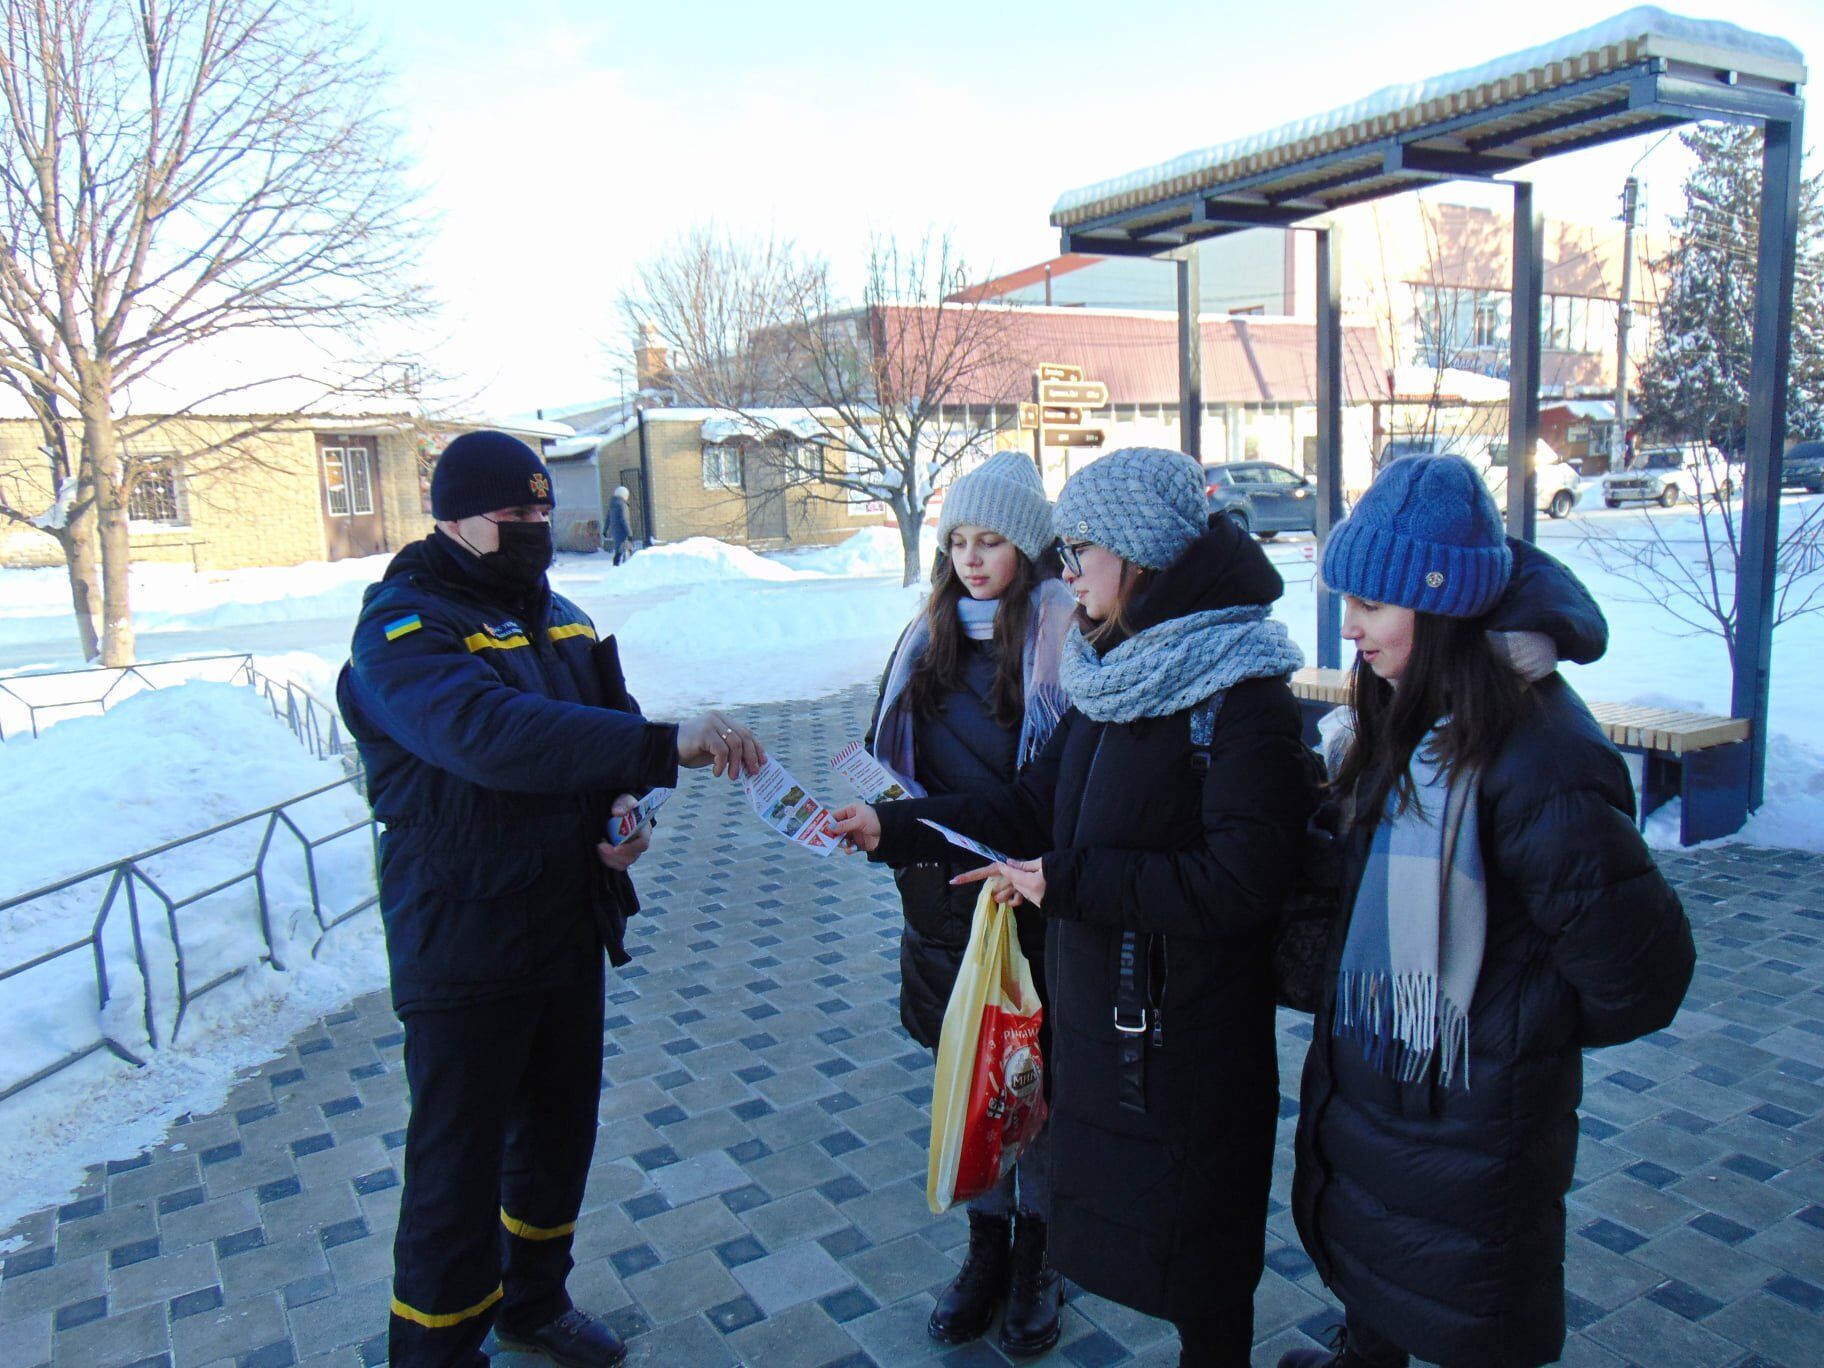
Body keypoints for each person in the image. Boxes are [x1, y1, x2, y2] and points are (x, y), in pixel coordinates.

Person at [833, 448, 1316, 1366]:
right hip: (1115, 1015)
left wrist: (1069, 882)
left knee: (1205, 1259)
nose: (1065, 570)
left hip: (1195, 1031)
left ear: (1135, 555)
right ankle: (1023, 1269)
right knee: (1141, 1227)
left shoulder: (1237, 691)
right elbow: (1028, 808)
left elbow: (1245, 880)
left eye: (1080, 549)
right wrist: (892, 829)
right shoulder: (1114, 667)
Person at [335, 430, 765, 1368]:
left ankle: (535, 1300)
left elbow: (597, 737)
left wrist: (628, 807)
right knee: (457, 1165)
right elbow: (492, 734)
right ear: (452, 518)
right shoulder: (404, 629)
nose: (534, 528)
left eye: (541, 511)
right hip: (465, 933)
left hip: (565, 920)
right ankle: (439, 1355)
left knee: (559, 1132)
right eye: (512, 515)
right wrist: (657, 749)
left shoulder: (560, 616)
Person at [1281, 454, 1695, 1368]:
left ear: (1442, 608)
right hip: (1392, 1076)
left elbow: (1643, 974)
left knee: (1465, 1298)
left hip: (1477, 1099)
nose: (1348, 627)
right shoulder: (1416, 713)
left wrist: (1510, 1018)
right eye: (1347, 600)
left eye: (1372, 606)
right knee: (1385, 1252)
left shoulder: (1539, 752)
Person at [863, 449, 1075, 1355]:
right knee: (973, 1084)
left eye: (991, 540)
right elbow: (892, 757)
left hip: (1038, 901)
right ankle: (986, 1248)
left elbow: (1059, 793)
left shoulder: (1069, 635)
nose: (972, 559)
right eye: (957, 541)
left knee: (1040, 1086)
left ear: (1027, 548)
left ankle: (1041, 1254)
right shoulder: (925, 636)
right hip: (946, 903)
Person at [607, 485, 634, 565]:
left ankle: (616, 566)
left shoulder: (612, 505)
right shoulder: (623, 505)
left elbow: (608, 518)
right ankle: (626, 567)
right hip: (623, 531)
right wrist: (629, 533)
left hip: (615, 531)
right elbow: (624, 520)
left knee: (618, 550)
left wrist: (605, 530)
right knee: (627, 549)